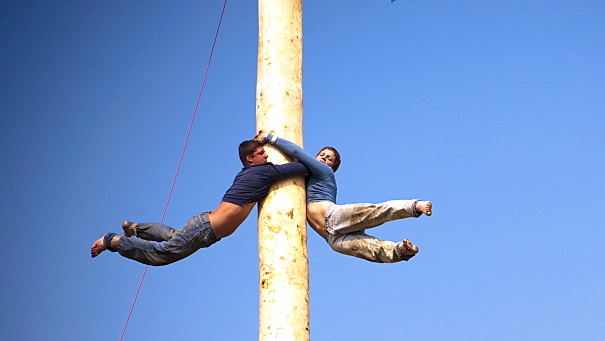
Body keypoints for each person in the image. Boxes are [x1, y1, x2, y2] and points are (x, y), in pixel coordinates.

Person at [91, 139, 309, 266]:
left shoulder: (249, 171)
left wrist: (260, 140)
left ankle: (135, 228)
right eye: (262, 153)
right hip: (206, 227)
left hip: (205, 225)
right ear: (250, 159)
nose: (267, 157)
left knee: (173, 235)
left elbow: (253, 151)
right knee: (163, 254)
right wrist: (322, 165)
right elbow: (303, 167)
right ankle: (112, 241)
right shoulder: (264, 172)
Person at [255, 130, 432, 263]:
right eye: (322, 155)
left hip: (335, 216)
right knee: (370, 249)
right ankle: (402, 251)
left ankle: (415, 205)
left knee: (376, 212)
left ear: (332, 167)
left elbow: (298, 153)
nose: (324, 159)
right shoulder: (301, 181)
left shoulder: (324, 172)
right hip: (332, 238)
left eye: (329, 159)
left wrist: (270, 138)